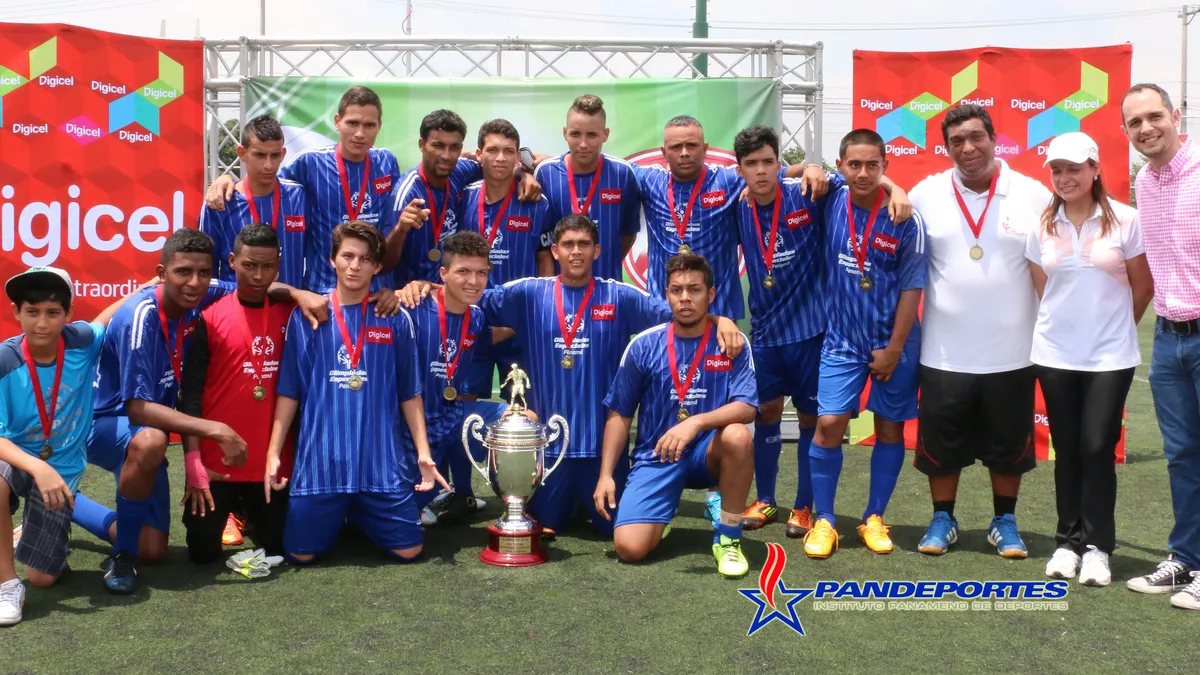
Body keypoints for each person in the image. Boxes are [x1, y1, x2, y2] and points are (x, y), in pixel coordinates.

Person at [397, 216, 744, 538]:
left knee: (615, 529)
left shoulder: (619, 295)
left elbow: (679, 309)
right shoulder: (528, 292)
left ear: (597, 251)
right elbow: (465, 293)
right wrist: (421, 287)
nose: (576, 251)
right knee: (544, 528)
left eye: (584, 244)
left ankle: (632, 504)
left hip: (601, 450)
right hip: (550, 450)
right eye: (568, 244)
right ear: (555, 251)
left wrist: (720, 320)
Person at [84, 229, 331, 594]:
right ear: (162, 273)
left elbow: (257, 286)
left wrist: (297, 293)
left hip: (147, 428)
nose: (194, 283)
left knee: (152, 549)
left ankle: (67, 503)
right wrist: (215, 430)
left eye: (203, 273)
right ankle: (121, 557)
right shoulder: (141, 316)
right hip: (106, 422)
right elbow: (137, 409)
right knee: (152, 441)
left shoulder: (204, 290)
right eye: (183, 272)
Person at [908, 104, 1052, 559]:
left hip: (1013, 353)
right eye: (956, 141)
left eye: (976, 137)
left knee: (1008, 449)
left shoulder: (1032, 194)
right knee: (941, 448)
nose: (967, 148)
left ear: (993, 139)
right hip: (943, 351)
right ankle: (942, 519)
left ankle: (1004, 521)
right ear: (946, 147)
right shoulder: (925, 194)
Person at [265, 221, 449, 564]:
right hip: (321, 465)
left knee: (409, 551)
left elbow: (410, 393)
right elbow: (290, 391)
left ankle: (358, 515)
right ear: (332, 259)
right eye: (347, 256)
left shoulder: (394, 318)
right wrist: (273, 453)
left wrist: (423, 454)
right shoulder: (307, 316)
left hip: (381, 465)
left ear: (377, 267)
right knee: (300, 556)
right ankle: (342, 512)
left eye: (365, 259)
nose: (355, 265)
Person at [1026, 132, 1153, 587]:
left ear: (1095, 170)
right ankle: (1067, 542)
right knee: (1067, 449)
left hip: (1110, 357)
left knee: (1097, 448)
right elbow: (1044, 288)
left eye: (1075, 169)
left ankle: (1097, 548)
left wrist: (1112, 328)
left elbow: (1143, 287)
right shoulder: (1042, 224)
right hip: (1055, 354)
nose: (1065, 178)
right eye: (1057, 170)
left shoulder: (1126, 220)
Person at [801, 129, 926, 559]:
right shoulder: (832, 196)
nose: (863, 173)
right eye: (854, 164)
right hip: (841, 339)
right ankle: (825, 520)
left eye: (873, 165)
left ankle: (874, 516)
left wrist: (893, 349)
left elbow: (912, 288)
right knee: (828, 424)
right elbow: (793, 173)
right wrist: (810, 165)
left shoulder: (906, 219)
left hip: (895, 342)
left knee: (889, 427)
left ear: (885, 166)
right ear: (841, 166)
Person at [596, 253, 757, 578]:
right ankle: (661, 512)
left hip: (707, 453)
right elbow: (620, 414)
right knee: (629, 549)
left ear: (710, 294)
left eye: (695, 290)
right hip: (657, 456)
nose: (685, 298)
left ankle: (728, 537)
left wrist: (695, 423)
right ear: (666, 294)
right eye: (677, 290)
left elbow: (747, 407)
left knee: (738, 435)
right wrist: (606, 475)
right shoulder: (643, 346)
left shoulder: (731, 343)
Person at [0, 267, 132, 625]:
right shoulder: (4, 360)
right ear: (16, 312)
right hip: (16, 460)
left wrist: (152, 284)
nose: (42, 323)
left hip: (63, 469)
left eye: (53, 312)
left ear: (69, 313)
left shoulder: (82, 340)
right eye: (32, 311)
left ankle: (54, 520)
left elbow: (107, 317)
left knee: (43, 578)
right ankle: (7, 585)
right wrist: (38, 467)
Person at [730, 125, 834, 538]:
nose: (760, 171)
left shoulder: (807, 194)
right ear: (740, 170)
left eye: (768, 162)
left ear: (778, 163)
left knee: (810, 418)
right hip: (766, 333)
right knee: (767, 413)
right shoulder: (737, 206)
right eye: (751, 164)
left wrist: (810, 166)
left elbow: (849, 180)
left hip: (811, 332)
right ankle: (767, 499)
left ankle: (804, 506)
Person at [1120, 82, 1200, 610]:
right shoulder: (1144, 183)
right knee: (1182, 455)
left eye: (1154, 116)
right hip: (1170, 340)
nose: (1146, 128)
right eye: (1135, 122)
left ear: (1175, 115)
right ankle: (1187, 559)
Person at [177, 224, 298, 565]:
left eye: (268, 266)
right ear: (232, 261)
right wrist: (194, 463)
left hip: (272, 462)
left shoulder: (292, 315)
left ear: (278, 266)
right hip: (218, 463)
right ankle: (234, 511)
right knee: (202, 554)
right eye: (249, 265)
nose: (258, 275)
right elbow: (191, 397)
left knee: (278, 548)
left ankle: (247, 512)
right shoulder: (210, 317)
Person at [207, 86, 402, 293]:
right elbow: (264, 183)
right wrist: (226, 179)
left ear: (379, 126)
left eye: (369, 125)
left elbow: (391, 227)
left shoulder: (386, 162)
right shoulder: (310, 162)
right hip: (323, 292)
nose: (360, 133)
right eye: (352, 123)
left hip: (373, 291)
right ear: (337, 122)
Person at [407, 231, 506, 526]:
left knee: (518, 419)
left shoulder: (476, 317)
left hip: (451, 416)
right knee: (403, 527)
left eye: (481, 273)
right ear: (443, 273)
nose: (473, 281)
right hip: (409, 432)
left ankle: (467, 494)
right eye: (463, 271)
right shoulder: (411, 309)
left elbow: (490, 334)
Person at [384, 110, 541, 287]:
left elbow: (495, 166)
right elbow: (383, 264)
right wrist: (400, 230)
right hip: (416, 294)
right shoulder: (406, 194)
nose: (446, 156)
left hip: (453, 291)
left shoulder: (459, 170)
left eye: (454, 147)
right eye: (438, 146)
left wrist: (523, 174)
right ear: (422, 145)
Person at [457, 119, 555, 400]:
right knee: (463, 403)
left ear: (517, 157)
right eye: (492, 150)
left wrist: (543, 311)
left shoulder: (537, 203)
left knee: (522, 405)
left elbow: (544, 258)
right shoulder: (463, 198)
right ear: (479, 154)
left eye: (508, 151)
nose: (500, 158)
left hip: (519, 322)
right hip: (470, 318)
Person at [534, 94, 642, 280]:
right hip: (559, 289)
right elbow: (542, 240)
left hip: (607, 286)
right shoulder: (545, 173)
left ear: (605, 134)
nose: (583, 144)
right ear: (565, 133)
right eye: (575, 134)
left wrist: (603, 263)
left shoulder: (623, 174)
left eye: (592, 135)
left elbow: (628, 233)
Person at [200, 114, 307, 289]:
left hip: (290, 304)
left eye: (275, 155)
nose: (268, 165)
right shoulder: (220, 202)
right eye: (260, 155)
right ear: (242, 153)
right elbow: (205, 270)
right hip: (238, 304)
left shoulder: (299, 196)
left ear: (283, 154)